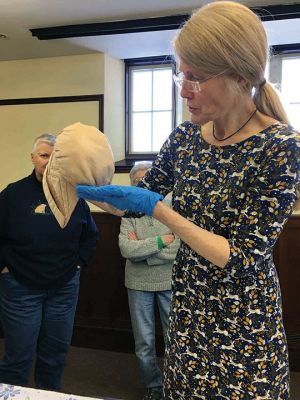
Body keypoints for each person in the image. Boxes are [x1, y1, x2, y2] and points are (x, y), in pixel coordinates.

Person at [77, 1, 300, 398]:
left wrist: (160, 211)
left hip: (244, 328)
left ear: (238, 75)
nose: (184, 91)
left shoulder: (280, 147)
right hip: (189, 317)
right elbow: (135, 202)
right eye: (181, 76)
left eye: (195, 78)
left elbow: (241, 256)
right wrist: (86, 186)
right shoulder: (185, 139)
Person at [0, 134, 99, 391]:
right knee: (18, 357)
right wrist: (4, 268)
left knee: (55, 355)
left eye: (56, 156)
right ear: (33, 158)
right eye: (44, 155)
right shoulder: (13, 194)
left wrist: (78, 264)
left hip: (64, 289)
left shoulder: (74, 194)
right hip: (20, 288)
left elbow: (90, 235)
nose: (50, 161)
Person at [119, 162, 179, 400]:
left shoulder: (173, 209)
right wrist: (161, 241)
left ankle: (175, 385)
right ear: (132, 184)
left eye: (147, 180)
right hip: (137, 284)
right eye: (137, 182)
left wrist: (143, 251)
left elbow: (179, 247)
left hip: (168, 282)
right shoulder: (129, 212)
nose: (142, 186)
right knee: (144, 343)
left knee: (173, 338)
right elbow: (126, 248)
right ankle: (154, 387)